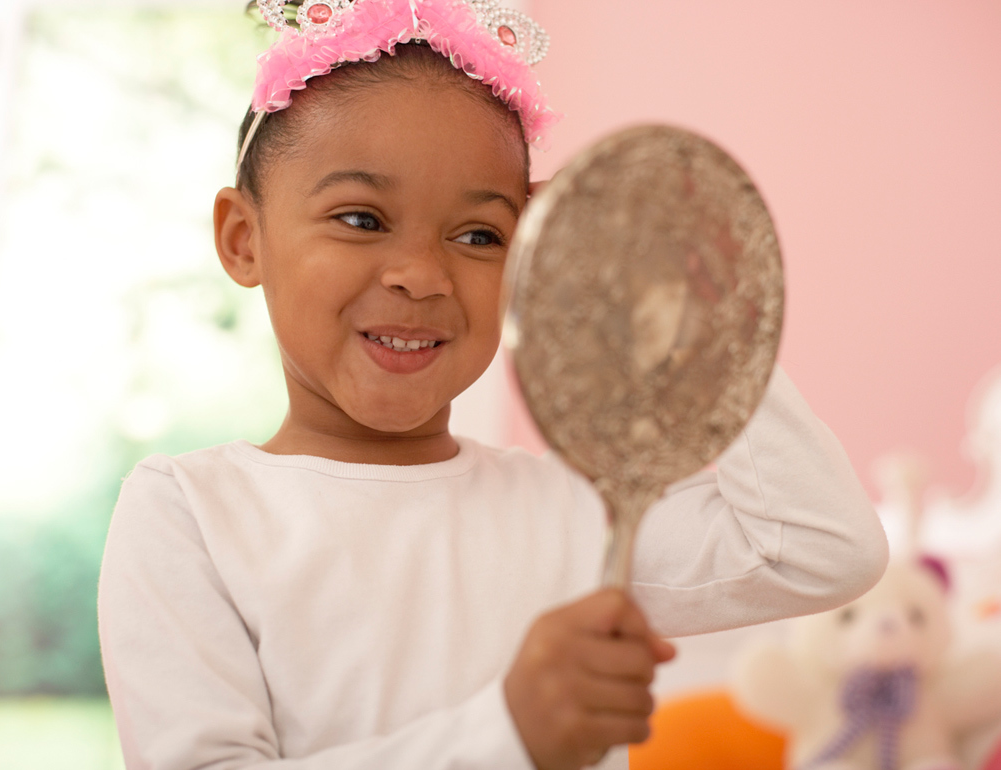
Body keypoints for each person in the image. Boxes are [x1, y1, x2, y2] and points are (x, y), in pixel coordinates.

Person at [97, 1, 889, 769]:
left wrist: (688, 313)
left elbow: (821, 546)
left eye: (480, 235)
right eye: (362, 219)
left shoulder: (577, 514)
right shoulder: (187, 514)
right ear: (244, 240)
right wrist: (509, 735)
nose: (421, 275)